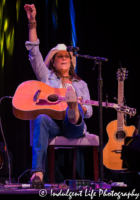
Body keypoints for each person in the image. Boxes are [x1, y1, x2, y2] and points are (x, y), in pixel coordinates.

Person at [24, 4, 93, 182]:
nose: (64, 58)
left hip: (74, 128)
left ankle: (73, 109)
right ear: (53, 63)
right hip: (54, 125)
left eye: (66, 56)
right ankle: (38, 173)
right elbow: (34, 52)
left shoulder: (81, 84)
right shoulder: (46, 78)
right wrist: (32, 22)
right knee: (40, 118)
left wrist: (81, 108)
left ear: (71, 62)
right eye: (59, 56)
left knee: (76, 106)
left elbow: (91, 110)